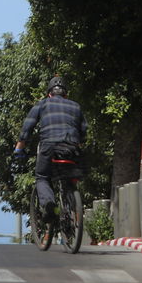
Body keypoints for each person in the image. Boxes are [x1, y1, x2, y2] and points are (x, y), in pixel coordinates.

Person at [14, 75, 87, 217]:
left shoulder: (43, 104)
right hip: (71, 146)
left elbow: (28, 126)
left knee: (42, 176)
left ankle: (48, 204)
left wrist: (19, 147)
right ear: (66, 94)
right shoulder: (76, 106)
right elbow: (84, 130)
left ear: (49, 93)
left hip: (49, 145)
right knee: (72, 173)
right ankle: (72, 203)